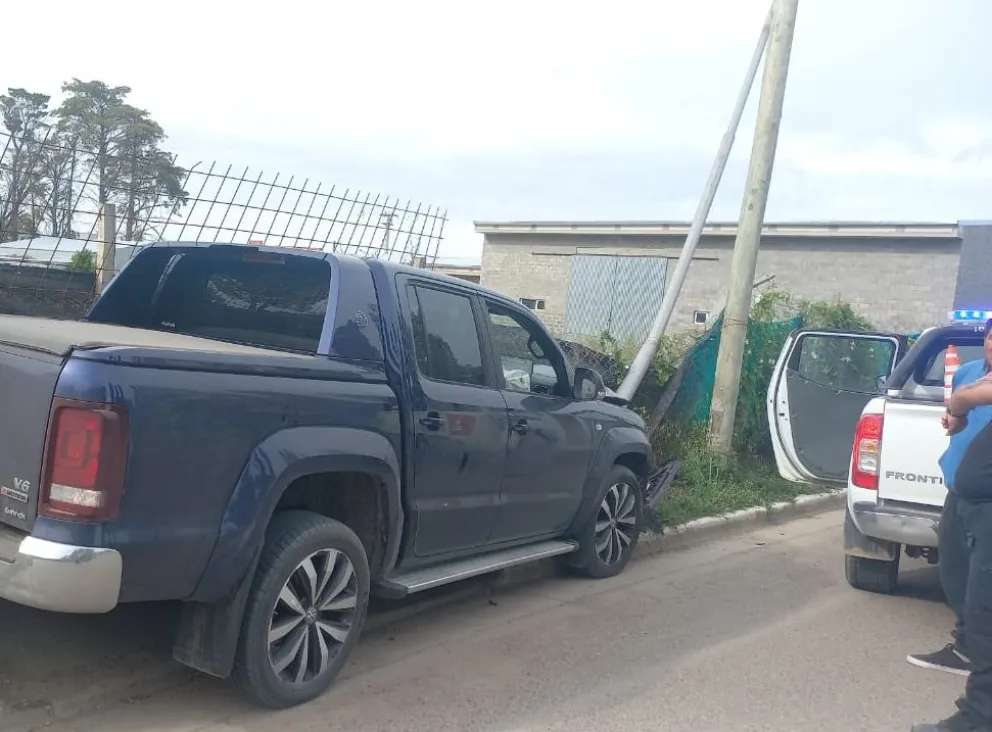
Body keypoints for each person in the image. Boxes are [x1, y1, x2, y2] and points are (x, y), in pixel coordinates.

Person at [913, 355, 992, 732]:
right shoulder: (974, 374)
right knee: (979, 612)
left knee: (986, 617)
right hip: (972, 503)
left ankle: (978, 721)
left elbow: (965, 398)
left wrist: (962, 401)